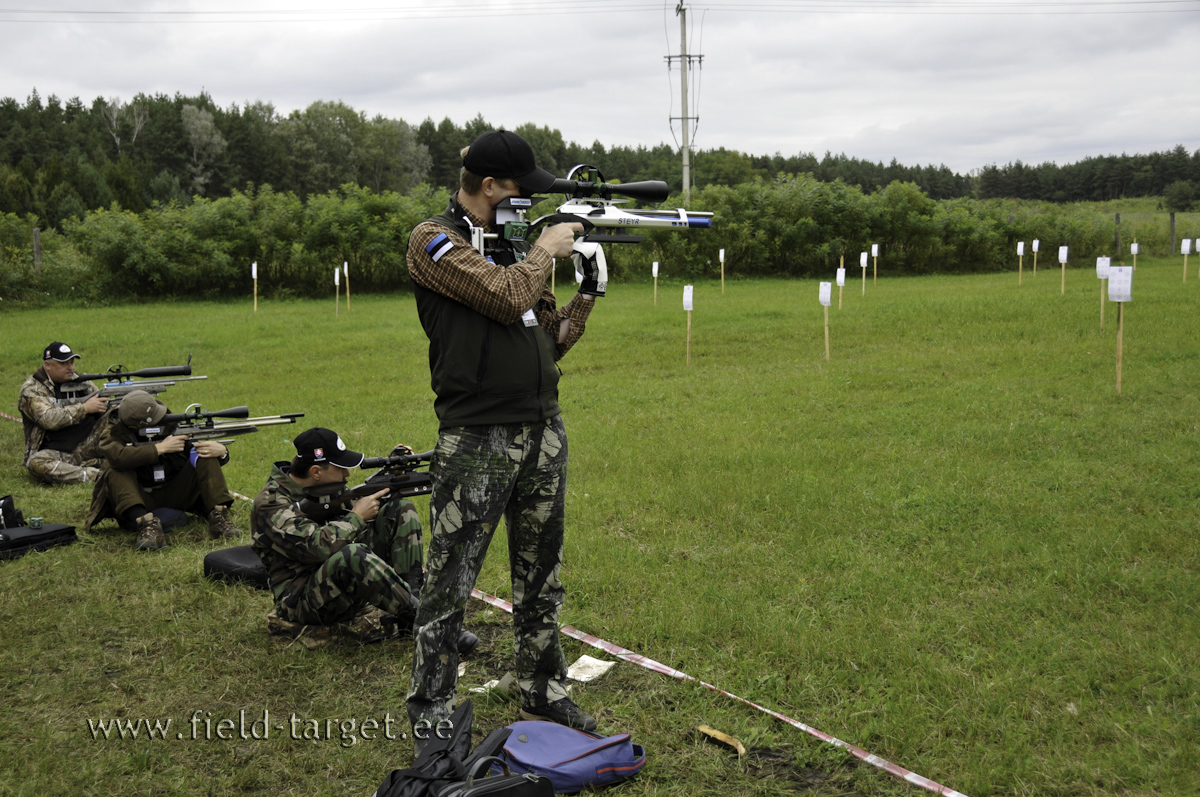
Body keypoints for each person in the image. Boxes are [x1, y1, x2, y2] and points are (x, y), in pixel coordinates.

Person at [405, 129, 599, 739]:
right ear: (488, 187)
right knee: (450, 576)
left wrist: (588, 287)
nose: (527, 205)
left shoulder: (514, 252)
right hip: (478, 435)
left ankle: (542, 687)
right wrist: (545, 248)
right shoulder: (435, 242)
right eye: (519, 193)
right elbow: (503, 292)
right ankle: (432, 706)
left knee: (542, 570)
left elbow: (555, 335)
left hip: (542, 427)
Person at [84, 389, 240, 550]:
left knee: (204, 455)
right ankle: (147, 525)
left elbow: (201, 462)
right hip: (139, 498)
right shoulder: (114, 431)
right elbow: (117, 457)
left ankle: (219, 517)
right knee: (115, 470)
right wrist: (159, 449)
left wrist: (222, 452)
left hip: (175, 491)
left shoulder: (171, 425)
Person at [18, 342, 109, 484]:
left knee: (119, 416)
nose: (70, 367)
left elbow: (104, 405)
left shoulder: (82, 382)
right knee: (36, 463)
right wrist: (84, 408)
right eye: (63, 364)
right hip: (57, 452)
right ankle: (97, 475)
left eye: (72, 362)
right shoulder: (31, 390)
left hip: (90, 443)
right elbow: (48, 419)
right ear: (47, 365)